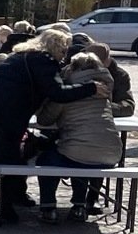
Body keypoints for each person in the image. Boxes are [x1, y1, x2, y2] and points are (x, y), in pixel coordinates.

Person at [0, 27, 106, 224]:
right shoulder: (44, 61)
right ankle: (6, 210)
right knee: (10, 162)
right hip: (1, 115)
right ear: (56, 47)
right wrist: (91, 88)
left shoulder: (18, 56)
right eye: (63, 51)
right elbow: (58, 93)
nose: (63, 57)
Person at [34, 51, 122, 224]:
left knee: (48, 159)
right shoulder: (104, 91)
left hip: (78, 152)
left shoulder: (68, 93)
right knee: (80, 155)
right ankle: (79, 207)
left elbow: (44, 120)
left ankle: (48, 207)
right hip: (111, 154)